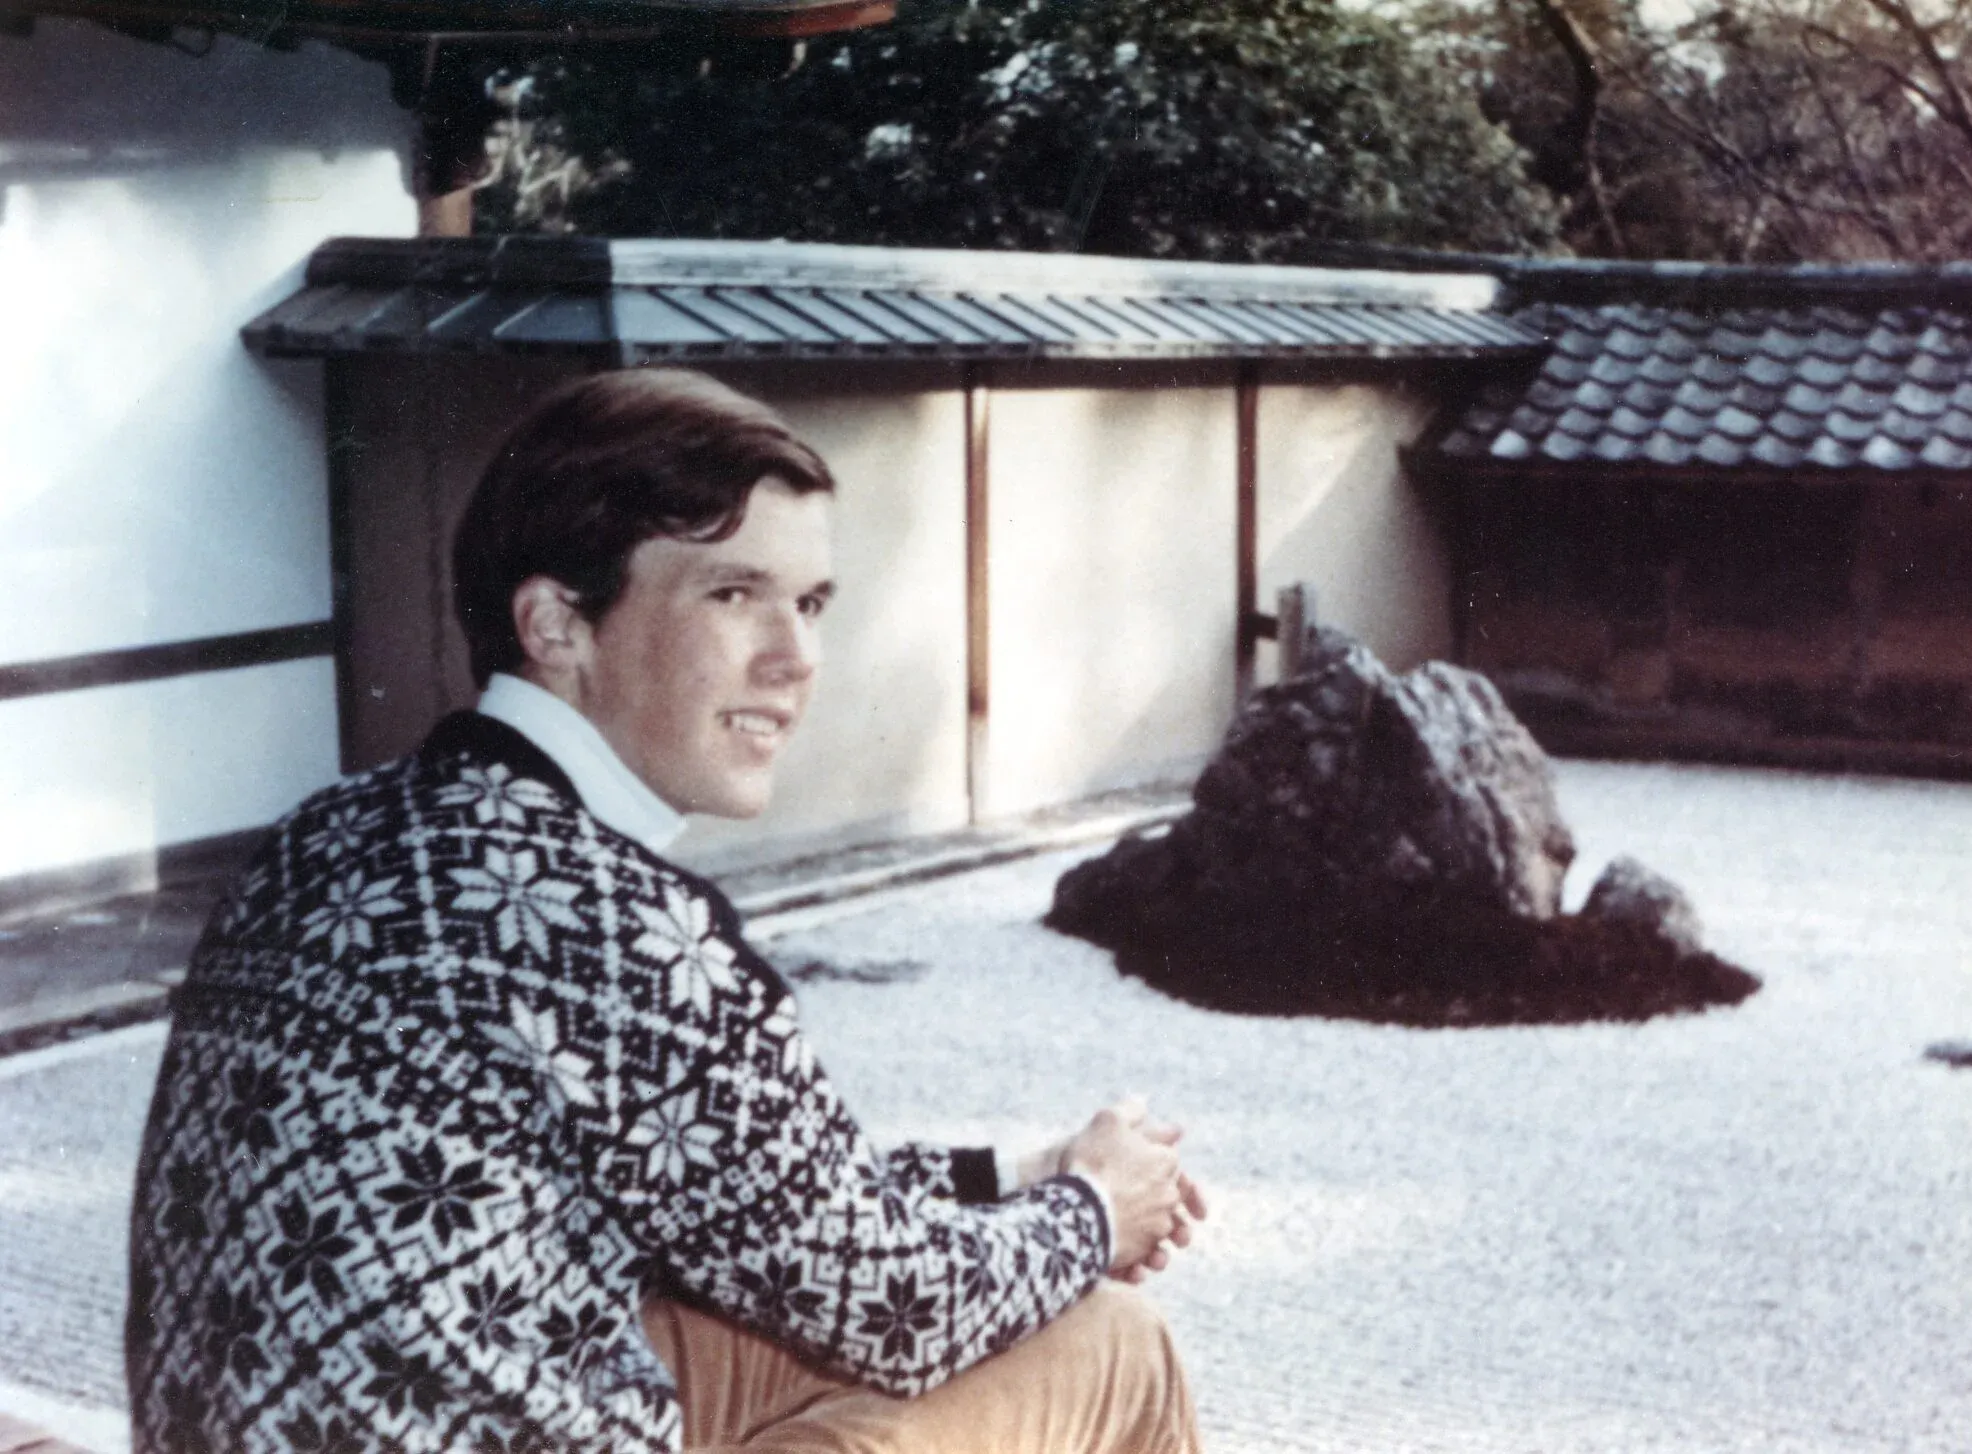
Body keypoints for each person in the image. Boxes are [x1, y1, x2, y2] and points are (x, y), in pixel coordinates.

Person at [126, 368, 1206, 1453]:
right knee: (1105, 1341)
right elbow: (901, 1310)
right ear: (555, 624)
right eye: (732, 594)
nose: (796, 657)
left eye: (812, 601)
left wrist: (1014, 1178)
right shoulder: (618, 920)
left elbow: (751, 1205)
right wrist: (1096, 1210)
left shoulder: (320, 833)